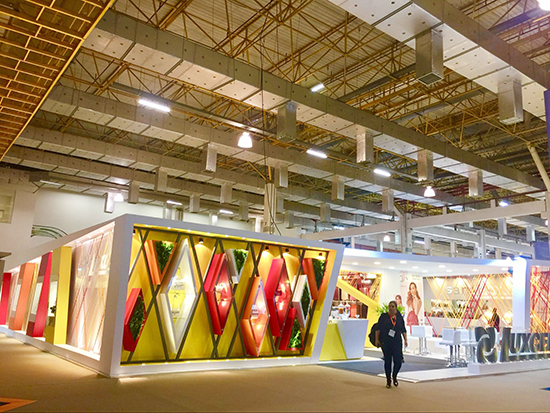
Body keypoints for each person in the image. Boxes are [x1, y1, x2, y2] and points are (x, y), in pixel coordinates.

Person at [375, 300, 408, 388]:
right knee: (388, 361)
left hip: (397, 342)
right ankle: (388, 380)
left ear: (396, 308)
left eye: (393, 306)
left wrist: (405, 339)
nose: (391, 308)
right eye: (390, 306)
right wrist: (377, 339)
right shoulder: (384, 317)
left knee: (398, 361)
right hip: (386, 342)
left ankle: (394, 375)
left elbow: (403, 329)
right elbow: (378, 328)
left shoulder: (399, 318)